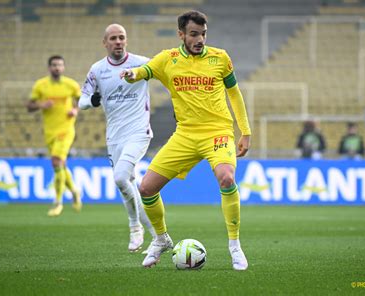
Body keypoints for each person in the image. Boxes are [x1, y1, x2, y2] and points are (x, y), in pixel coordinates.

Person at [121, 11, 251, 270]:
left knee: (226, 178)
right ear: (181, 34)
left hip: (217, 132)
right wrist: (132, 74)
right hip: (185, 134)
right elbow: (145, 70)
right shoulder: (167, 59)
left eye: (203, 34)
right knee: (146, 188)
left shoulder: (220, 58)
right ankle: (161, 238)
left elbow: (234, 93)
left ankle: (235, 246)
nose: (200, 39)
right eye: (194, 34)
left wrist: (245, 131)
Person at [78, 24, 156, 253]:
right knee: (127, 184)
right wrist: (93, 100)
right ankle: (157, 235)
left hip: (139, 132)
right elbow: (81, 100)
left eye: (122, 37)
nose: (118, 42)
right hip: (114, 138)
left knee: (121, 178)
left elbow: (165, 71)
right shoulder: (97, 70)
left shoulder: (142, 63)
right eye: (113, 38)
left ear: (126, 40)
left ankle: (135, 228)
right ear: (105, 43)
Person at [27, 55, 82, 217]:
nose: (57, 67)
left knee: (56, 161)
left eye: (59, 65)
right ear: (49, 67)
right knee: (61, 165)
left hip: (66, 130)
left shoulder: (71, 85)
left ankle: (58, 203)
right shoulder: (41, 85)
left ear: (63, 67)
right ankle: (74, 191)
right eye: (54, 65)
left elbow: (81, 101)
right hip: (49, 132)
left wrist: (75, 110)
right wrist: (40, 105)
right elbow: (29, 106)